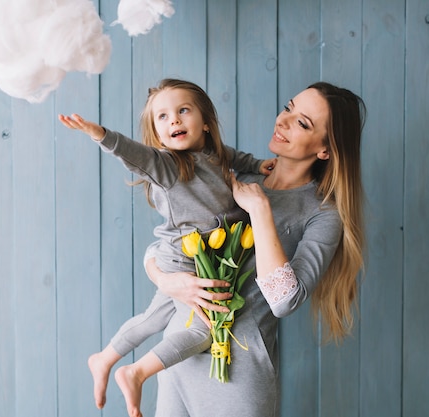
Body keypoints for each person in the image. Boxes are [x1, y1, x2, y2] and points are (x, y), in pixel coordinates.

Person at [145, 81, 366, 416]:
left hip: (241, 372)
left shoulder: (321, 213)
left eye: (303, 123)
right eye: (289, 108)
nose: (283, 121)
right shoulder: (233, 174)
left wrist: (260, 210)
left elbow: (285, 301)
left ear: (325, 149)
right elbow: (166, 242)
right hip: (183, 355)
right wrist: (165, 280)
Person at [58, 79, 273, 417]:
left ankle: (104, 358)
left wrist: (258, 165)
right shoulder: (167, 166)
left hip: (205, 256)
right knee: (202, 326)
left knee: (153, 318)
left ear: (205, 122)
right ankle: (134, 372)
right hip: (181, 259)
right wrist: (99, 133)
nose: (173, 120)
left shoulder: (213, 155)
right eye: (163, 117)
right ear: (157, 135)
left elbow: (234, 157)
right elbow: (131, 153)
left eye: (183, 111)